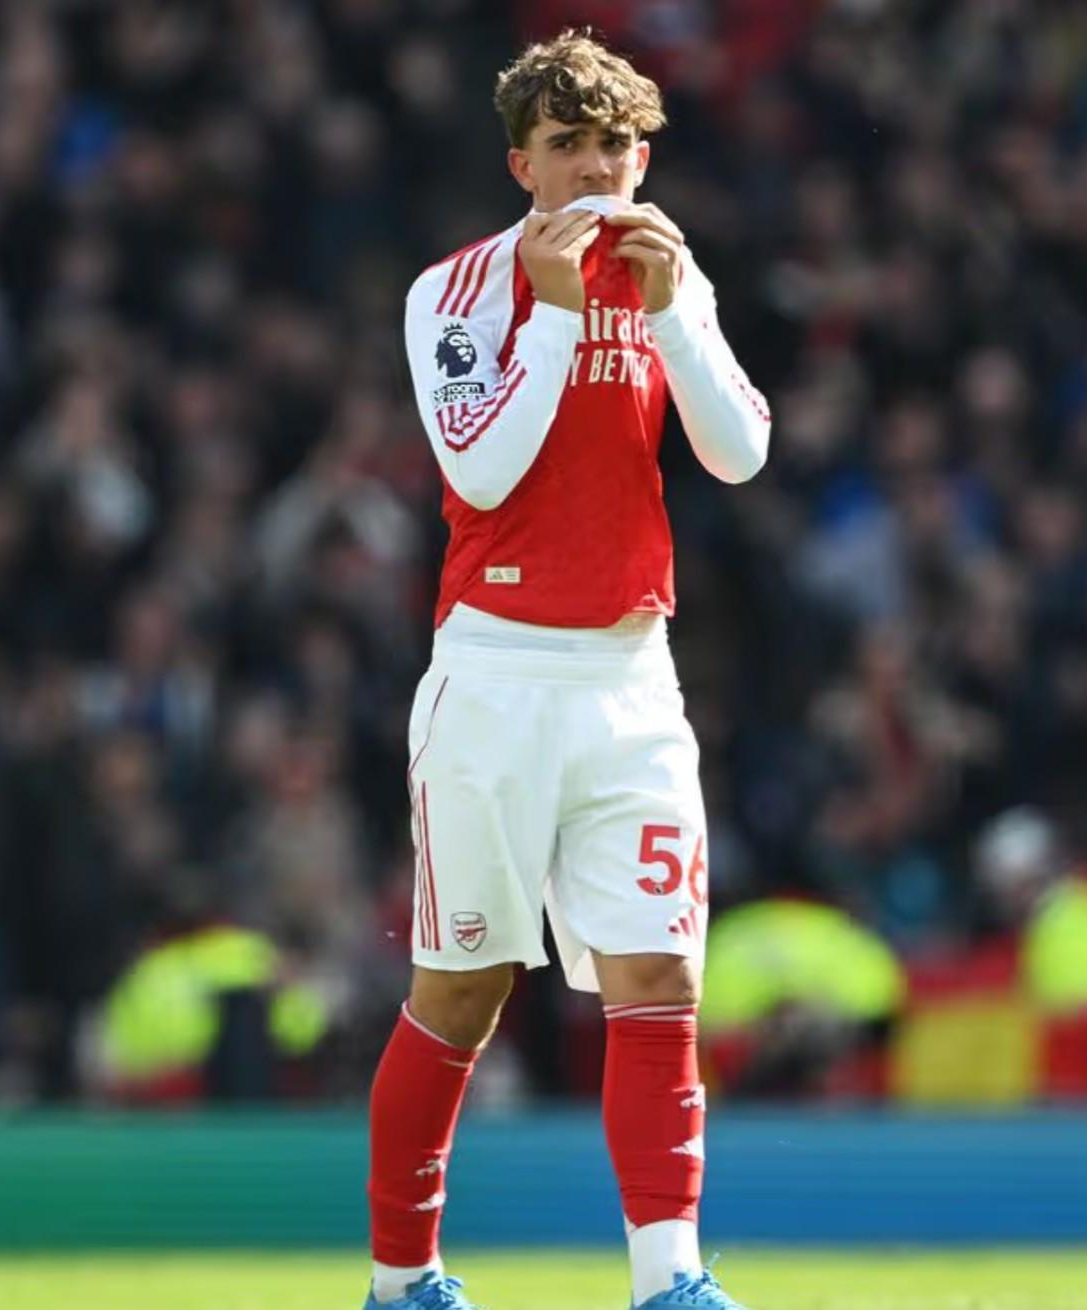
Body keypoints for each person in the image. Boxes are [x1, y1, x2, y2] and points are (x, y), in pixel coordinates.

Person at [364, 29, 770, 1310]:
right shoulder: (454, 291)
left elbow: (740, 450)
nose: (597, 169)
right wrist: (550, 312)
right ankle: (403, 1280)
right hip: (495, 675)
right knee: (462, 991)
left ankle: (670, 1278)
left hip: (631, 677)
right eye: (569, 145)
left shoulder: (668, 272)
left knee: (660, 974)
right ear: (520, 164)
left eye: (616, 145)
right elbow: (481, 470)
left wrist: (677, 316)